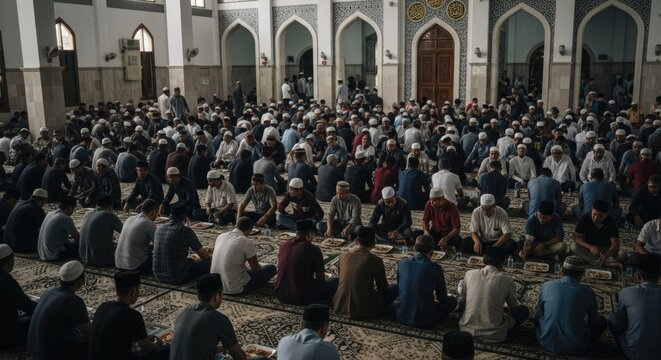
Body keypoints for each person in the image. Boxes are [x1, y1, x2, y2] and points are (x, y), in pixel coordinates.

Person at [89, 271, 170, 360]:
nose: (139, 293)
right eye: (138, 290)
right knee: (167, 349)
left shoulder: (103, 307)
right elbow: (148, 348)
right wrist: (157, 344)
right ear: (132, 292)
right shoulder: (133, 315)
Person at [535, 255, 607, 355]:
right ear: (582, 275)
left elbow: (539, 314)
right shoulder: (588, 292)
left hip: (544, 341)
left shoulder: (547, 285)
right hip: (576, 348)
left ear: (561, 271)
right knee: (602, 321)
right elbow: (593, 320)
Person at [458, 246, 529, 343]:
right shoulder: (507, 279)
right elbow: (514, 309)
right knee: (523, 310)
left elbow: (464, 299)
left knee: (462, 301)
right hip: (493, 333)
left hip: (466, 329)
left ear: (483, 260)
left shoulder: (469, 273)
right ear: (503, 263)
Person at [170, 274, 248, 360]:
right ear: (217, 296)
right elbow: (240, 357)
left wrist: (216, 349)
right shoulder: (220, 319)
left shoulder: (183, 311)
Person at [28, 261, 91, 360]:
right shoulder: (74, 301)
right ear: (80, 281)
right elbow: (89, 334)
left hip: (34, 351)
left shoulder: (48, 291)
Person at [392, 235, 457, 328]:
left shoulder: (402, 263)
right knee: (453, 301)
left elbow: (400, 287)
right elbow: (442, 298)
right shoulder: (435, 267)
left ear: (414, 248)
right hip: (425, 319)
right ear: (432, 251)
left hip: (401, 315)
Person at [609, 254, 661, 360]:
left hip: (633, 353)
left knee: (613, 318)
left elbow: (621, 320)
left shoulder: (627, 292)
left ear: (638, 275)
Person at [276, 219, 339, 305]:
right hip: (302, 297)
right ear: (309, 234)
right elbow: (320, 278)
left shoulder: (283, 245)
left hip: (280, 295)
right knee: (337, 281)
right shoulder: (313, 249)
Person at [333, 226, 389, 319]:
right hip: (365, 310)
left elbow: (341, 279)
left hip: (340, 305)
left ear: (356, 241)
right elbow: (383, 288)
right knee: (394, 289)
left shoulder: (343, 255)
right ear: (374, 243)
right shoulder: (375, 260)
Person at [210, 217, 276, 295]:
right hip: (235, 288)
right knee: (271, 268)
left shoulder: (221, 236)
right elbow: (255, 269)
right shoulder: (245, 241)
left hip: (215, 285)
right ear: (249, 230)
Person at [153, 205, 212, 285]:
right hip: (177, 277)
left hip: (158, 275)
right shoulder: (185, 230)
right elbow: (204, 256)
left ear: (170, 216)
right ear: (185, 217)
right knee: (210, 261)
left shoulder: (159, 229)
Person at [0, 244, 38, 350]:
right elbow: (28, 307)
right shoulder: (7, 282)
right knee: (40, 321)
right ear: (9, 262)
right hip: (6, 337)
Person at [571, 200, 627, 267]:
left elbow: (616, 244)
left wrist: (608, 252)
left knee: (622, 255)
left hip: (604, 249)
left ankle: (590, 260)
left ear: (606, 215)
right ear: (592, 210)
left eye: (600, 216)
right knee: (573, 246)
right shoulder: (585, 218)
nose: (595, 218)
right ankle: (603, 263)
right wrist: (590, 247)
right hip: (588, 248)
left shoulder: (611, 222)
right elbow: (577, 238)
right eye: (594, 214)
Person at [115, 199, 160, 273]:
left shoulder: (129, 219)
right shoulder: (148, 223)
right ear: (153, 212)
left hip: (118, 264)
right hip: (134, 267)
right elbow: (159, 245)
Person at [79, 195, 123, 266]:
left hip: (83, 257)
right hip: (101, 259)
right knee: (127, 246)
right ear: (110, 206)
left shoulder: (87, 214)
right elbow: (125, 232)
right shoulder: (108, 214)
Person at [3, 188, 48, 252]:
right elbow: (45, 228)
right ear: (43, 201)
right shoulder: (36, 209)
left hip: (8, 243)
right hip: (19, 246)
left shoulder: (20, 203)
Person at [37, 196, 80, 261]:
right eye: (74, 209)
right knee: (83, 244)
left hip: (41, 252)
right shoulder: (65, 218)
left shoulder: (50, 213)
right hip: (54, 255)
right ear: (70, 207)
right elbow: (77, 239)